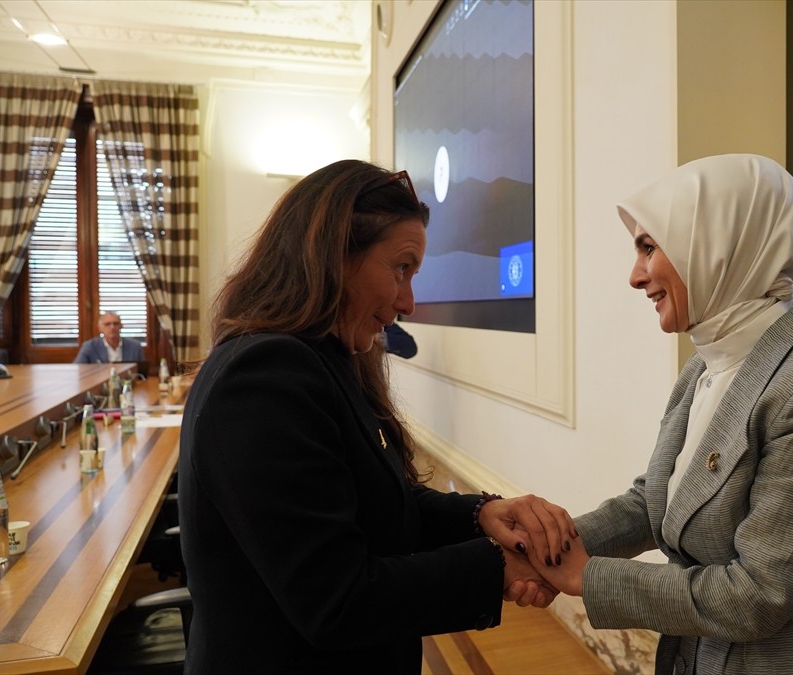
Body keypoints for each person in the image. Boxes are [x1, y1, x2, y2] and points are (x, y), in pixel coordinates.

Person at [177, 159, 574, 673]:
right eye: (401, 269)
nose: (407, 301)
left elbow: (372, 505)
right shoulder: (264, 376)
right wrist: (498, 567)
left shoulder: (325, 362)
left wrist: (479, 515)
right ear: (334, 257)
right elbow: (336, 599)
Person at [531, 155, 793, 674]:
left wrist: (585, 576)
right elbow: (653, 502)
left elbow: (759, 592)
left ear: (716, 244)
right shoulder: (707, 364)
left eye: (648, 247)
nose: (635, 276)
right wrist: (546, 548)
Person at [73, 311, 146, 363]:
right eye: (107, 324)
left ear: (121, 326)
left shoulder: (135, 346)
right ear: (100, 328)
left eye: (116, 323)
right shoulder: (90, 346)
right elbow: (78, 368)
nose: (112, 327)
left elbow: (141, 373)